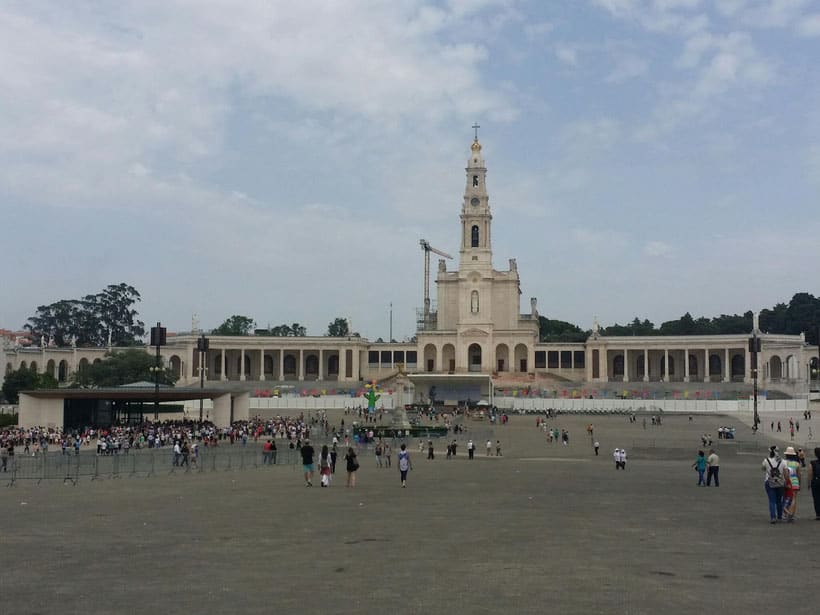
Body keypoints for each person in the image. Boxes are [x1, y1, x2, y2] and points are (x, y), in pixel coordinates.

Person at [763, 446, 788, 523]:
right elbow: (786, 474)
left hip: (769, 481)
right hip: (780, 482)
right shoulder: (783, 461)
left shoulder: (766, 460)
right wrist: (786, 482)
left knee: (772, 500)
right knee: (779, 500)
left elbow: (763, 468)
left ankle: (773, 517)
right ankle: (780, 516)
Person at [783, 446, 802, 522]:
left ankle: (785, 514)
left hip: (786, 481)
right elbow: (799, 475)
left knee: (785, 498)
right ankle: (792, 514)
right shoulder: (797, 464)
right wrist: (799, 484)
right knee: (794, 499)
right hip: (794, 481)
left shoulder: (783, 462)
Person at [808, 447, 820, 521]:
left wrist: (809, 483)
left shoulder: (812, 462)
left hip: (816, 481)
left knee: (816, 498)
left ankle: (818, 514)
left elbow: (810, 473)